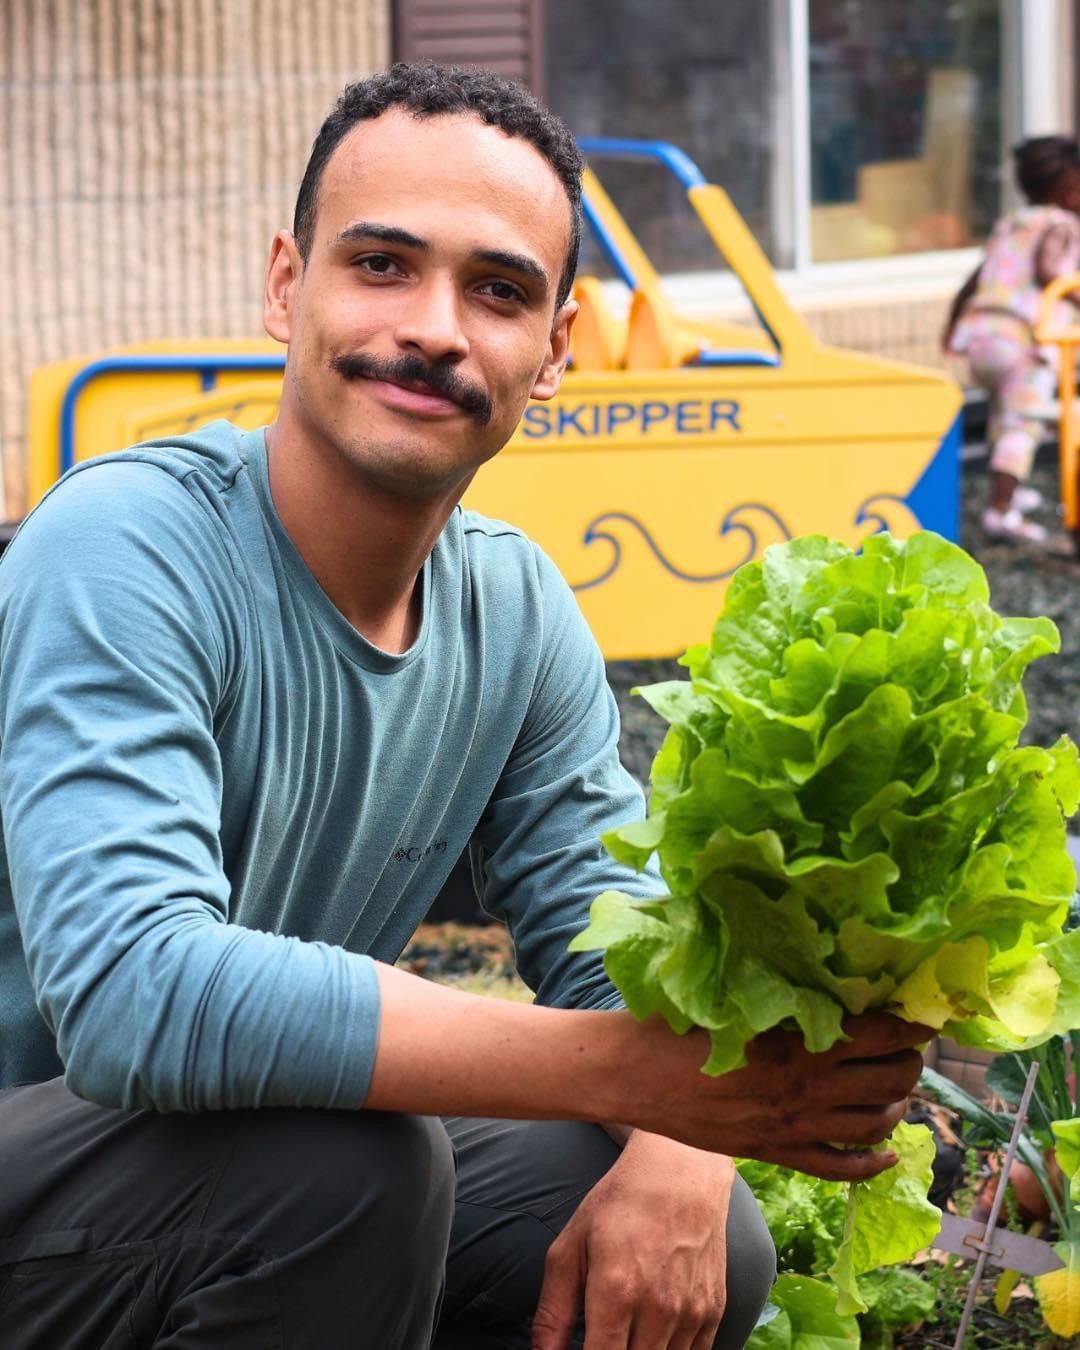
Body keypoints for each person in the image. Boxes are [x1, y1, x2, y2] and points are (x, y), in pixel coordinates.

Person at [0, 63, 928, 1350]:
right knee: (339, 1180)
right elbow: (134, 995)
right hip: (42, 1153)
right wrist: (636, 1073)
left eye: (497, 290)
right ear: (288, 284)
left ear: (555, 351)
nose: (436, 327)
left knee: (687, 1227)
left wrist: (685, 1131)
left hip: (218, 1161)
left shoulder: (514, 609)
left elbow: (614, 946)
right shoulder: (124, 543)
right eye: (381, 264)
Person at [944, 135, 1080, 544]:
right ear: (1066, 189)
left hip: (982, 338)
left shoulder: (1011, 223)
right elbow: (1048, 270)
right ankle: (1000, 512)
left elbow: (975, 279)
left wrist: (951, 323)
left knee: (1003, 414)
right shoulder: (1060, 224)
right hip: (1023, 340)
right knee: (1022, 425)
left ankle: (1011, 492)